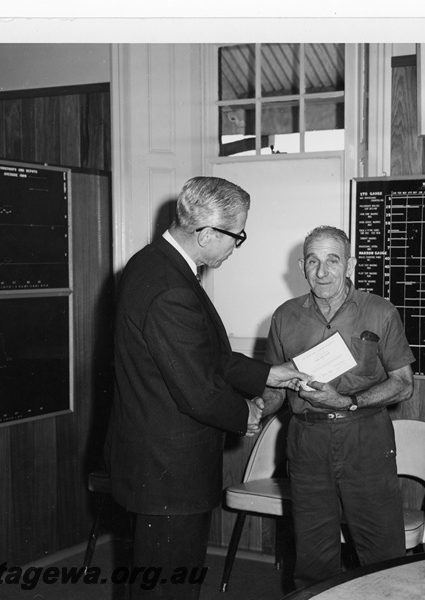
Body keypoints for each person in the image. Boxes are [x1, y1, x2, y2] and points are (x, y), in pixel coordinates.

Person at [103, 176, 307, 599]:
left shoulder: (154, 264)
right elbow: (197, 390)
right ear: (207, 233)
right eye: (237, 236)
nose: (237, 246)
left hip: (157, 465)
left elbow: (204, 353)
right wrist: (246, 413)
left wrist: (269, 374)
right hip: (169, 473)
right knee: (169, 589)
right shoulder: (170, 288)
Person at [260, 225, 415, 588]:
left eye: (333, 260)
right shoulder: (284, 316)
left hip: (365, 436)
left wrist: (347, 402)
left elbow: (404, 384)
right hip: (307, 441)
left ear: (350, 264)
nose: (322, 271)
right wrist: (255, 407)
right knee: (313, 556)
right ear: (302, 266)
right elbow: (275, 390)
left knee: (382, 554)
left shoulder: (379, 311)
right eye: (313, 261)